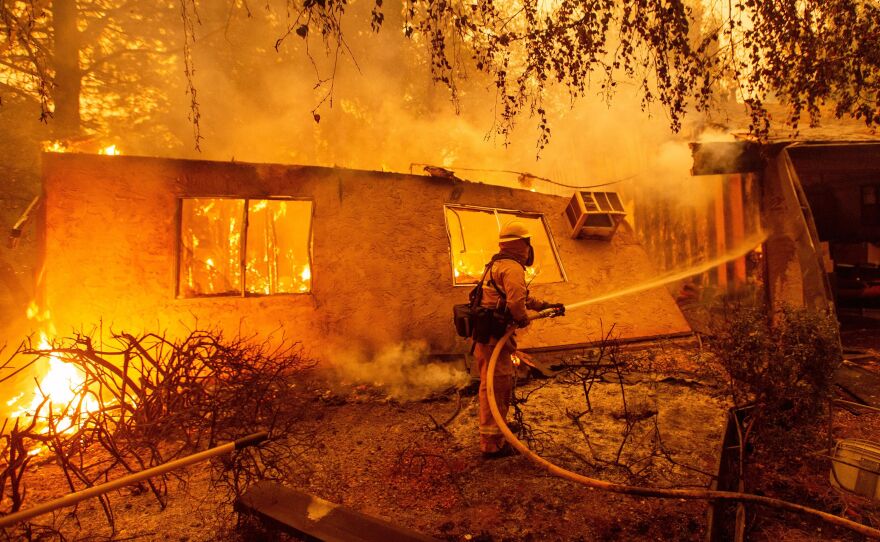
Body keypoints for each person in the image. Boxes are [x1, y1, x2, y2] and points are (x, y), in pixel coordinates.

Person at [473, 221, 564, 458]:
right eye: (527, 243)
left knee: (489, 384)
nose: (528, 249)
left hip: (486, 337)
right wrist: (522, 318)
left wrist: (544, 306)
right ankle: (492, 443)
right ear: (521, 244)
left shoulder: (496, 264)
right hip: (496, 339)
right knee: (498, 386)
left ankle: (493, 430)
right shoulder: (512, 268)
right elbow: (515, 304)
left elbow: (519, 297)